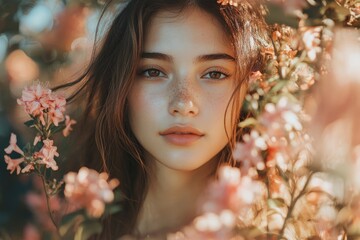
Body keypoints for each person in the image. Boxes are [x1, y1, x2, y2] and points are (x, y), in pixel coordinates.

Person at [58, 0, 269, 238]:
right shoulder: (58, 223)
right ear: (120, 86)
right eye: (153, 72)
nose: (183, 104)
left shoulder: (285, 230)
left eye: (214, 73)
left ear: (252, 88)